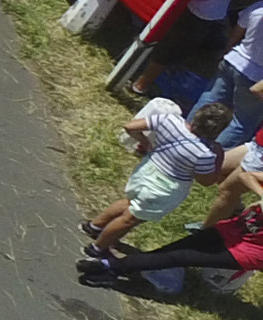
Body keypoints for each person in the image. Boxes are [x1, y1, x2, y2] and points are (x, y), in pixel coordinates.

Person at [88, 98, 233, 261]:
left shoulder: (169, 120)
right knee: (130, 218)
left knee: (129, 201)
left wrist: (146, 142)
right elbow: (206, 181)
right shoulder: (205, 154)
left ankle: (95, 226)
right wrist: (219, 157)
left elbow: (130, 126)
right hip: (163, 189)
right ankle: (98, 248)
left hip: (145, 172)